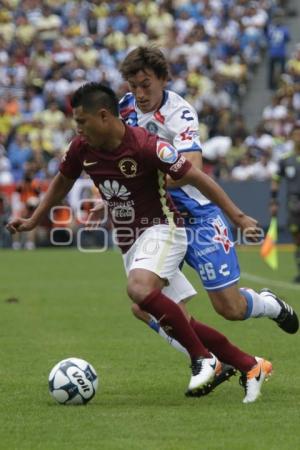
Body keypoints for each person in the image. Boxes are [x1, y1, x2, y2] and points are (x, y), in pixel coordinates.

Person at [8, 82, 272, 403]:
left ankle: (203, 360)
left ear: (103, 116)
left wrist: (238, 216)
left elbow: (198, 177)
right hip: (130, 242)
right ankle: (249, 365)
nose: (77, 129)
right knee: (161, 313)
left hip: (163, 229)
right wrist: (35, 218)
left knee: (139, 289)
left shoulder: (147, 146)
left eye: (81, 121)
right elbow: (63, 180)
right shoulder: (82, 147)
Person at [116, 45, 298, 338]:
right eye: (133, 86)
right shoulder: (124, 108)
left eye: (146, 85)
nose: (139, 93)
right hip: (157, 220)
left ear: (164, 79)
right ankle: (206, 359)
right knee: (145, 300)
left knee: (230, 308)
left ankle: (268, 304)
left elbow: (190, 167)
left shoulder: (180, 113)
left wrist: (138, 179)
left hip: (197, 216)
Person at [271, 123, 300, 283]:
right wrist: (274, 201)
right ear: (291, 137)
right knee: (297, 238)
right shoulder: (286, 160)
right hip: (294, 203)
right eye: (296, 134)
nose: (298, 137)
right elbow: (276, 180)